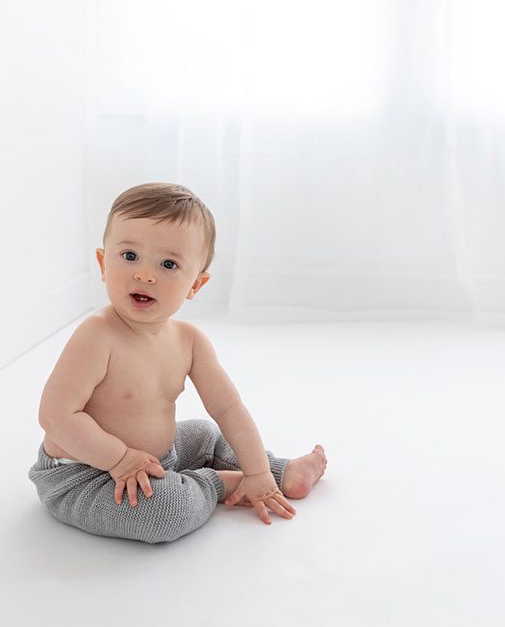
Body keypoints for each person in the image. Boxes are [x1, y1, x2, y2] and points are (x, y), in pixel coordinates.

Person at [28, 182, 327, 544]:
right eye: (129, 256)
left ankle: (277, 473)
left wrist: (259, 471)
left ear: (195, 285)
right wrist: (120, 459)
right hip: (84, 473)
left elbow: (228, 409)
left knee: (203, 434)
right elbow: (56, 417)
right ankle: (218, 483)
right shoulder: (97, 335)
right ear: (104, 264)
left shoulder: (189, 341)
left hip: (158, 458)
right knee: (166, 513)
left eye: (168, 264)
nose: (145, 274)